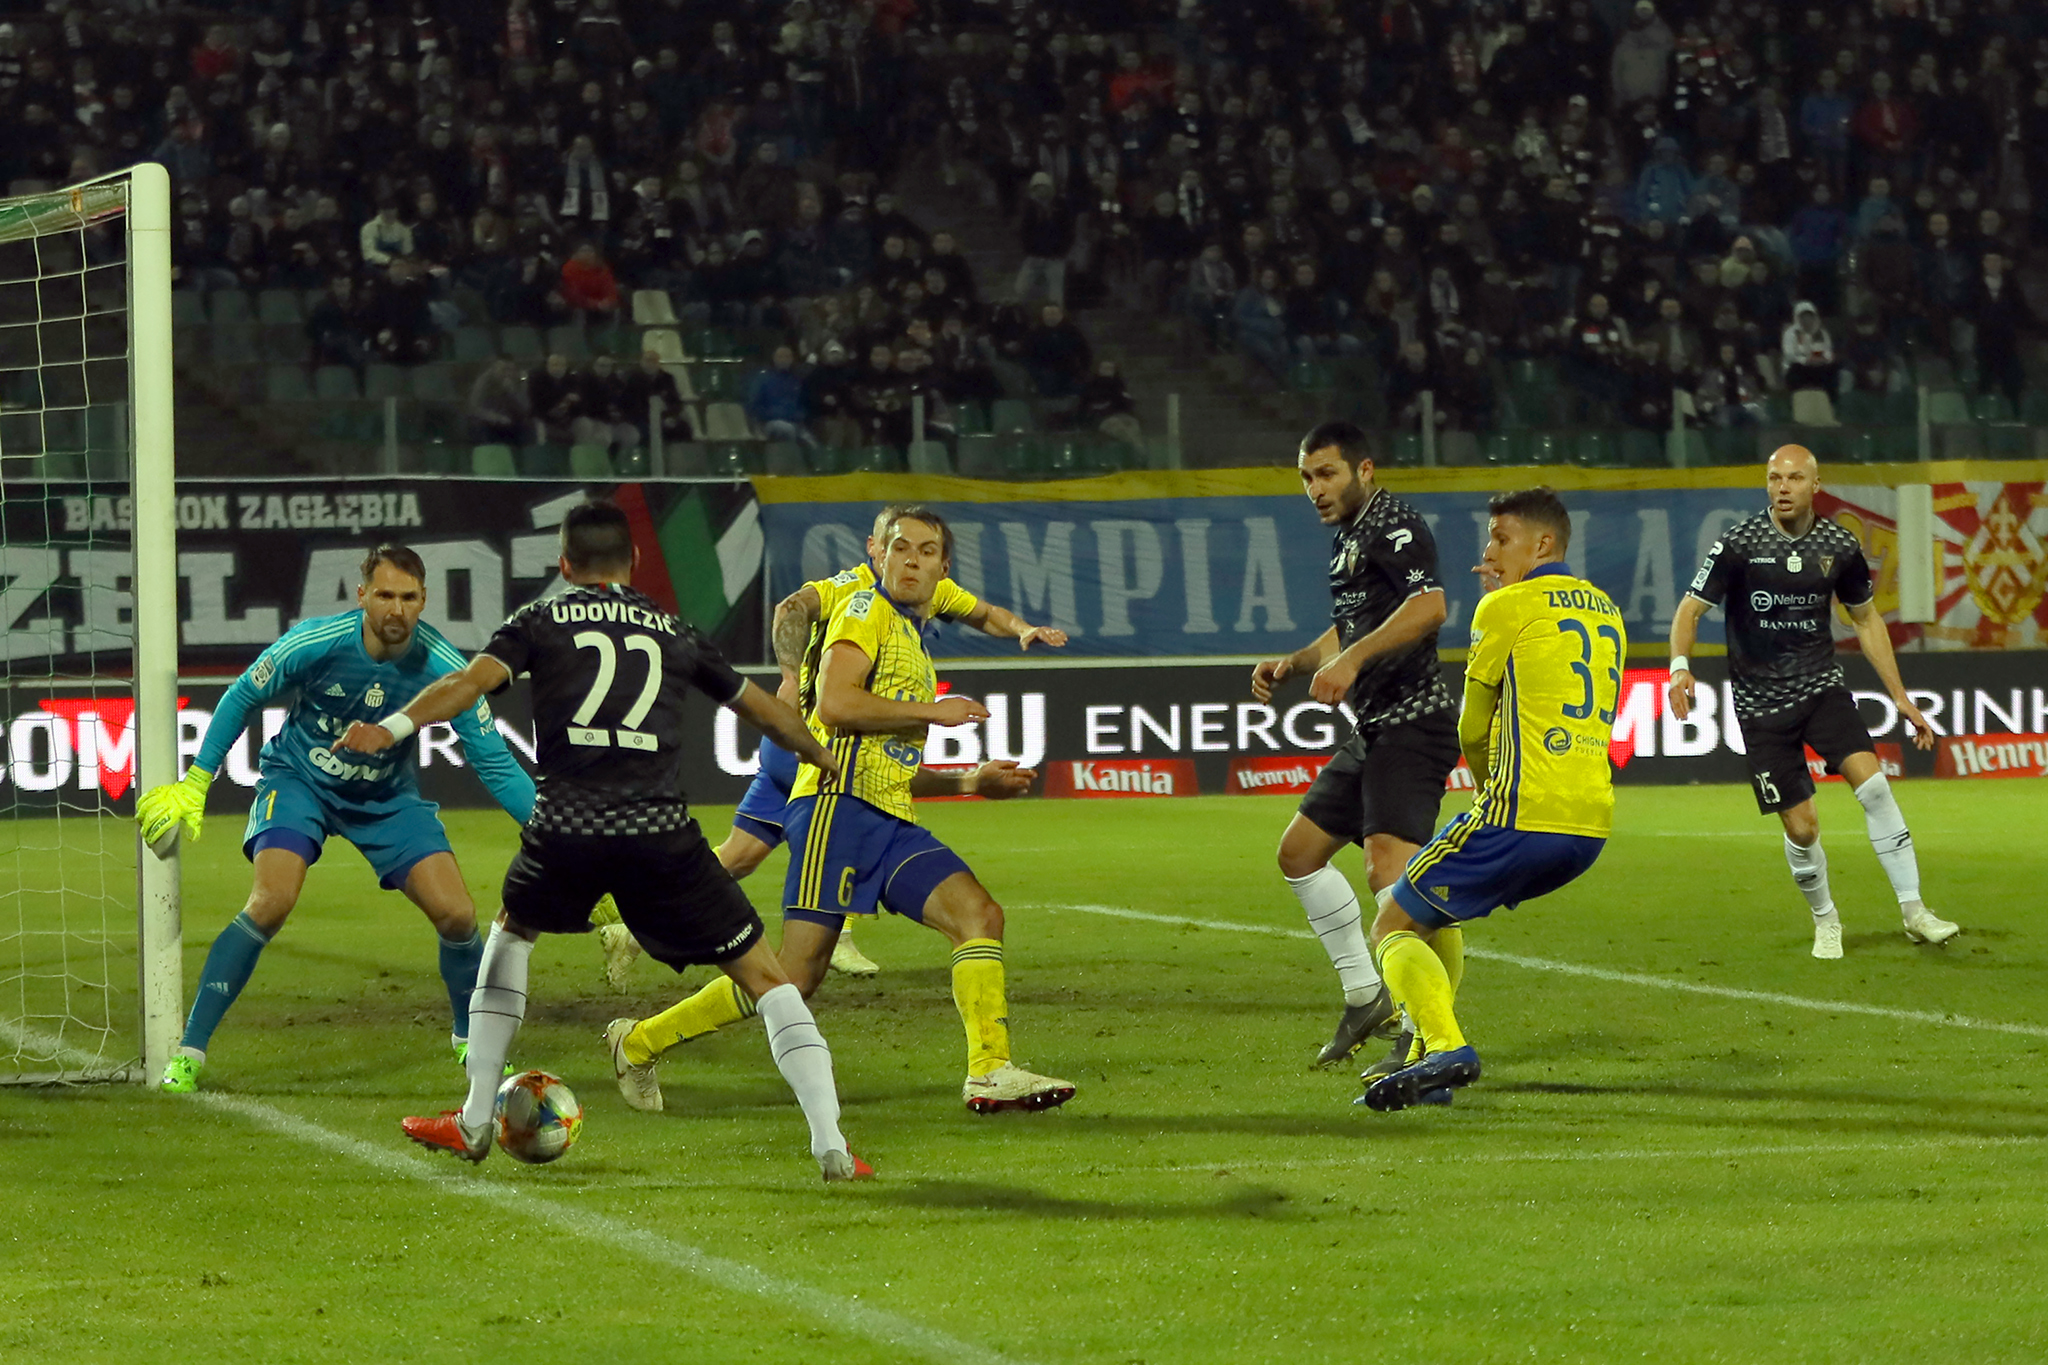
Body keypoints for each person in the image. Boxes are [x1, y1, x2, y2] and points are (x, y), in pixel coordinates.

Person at [339, 502, 869, 1181]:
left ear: (564, 564)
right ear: (634, 561)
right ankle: (830, 1145)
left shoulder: (539, 620)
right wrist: (819, 756)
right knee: (768, 979)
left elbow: (467, 684)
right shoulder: (673, 629)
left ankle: (473, 1119)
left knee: (513, 931)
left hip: (567, 828)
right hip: (659, 832)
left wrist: (390, 728)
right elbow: (762, 709)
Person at [609, 507, 1075, 1115]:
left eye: (926, 551)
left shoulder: (912, 627)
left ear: (943, 568)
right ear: (879, 553)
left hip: (887, 816)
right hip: (836, 811)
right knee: (793, 978)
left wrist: (970, 781)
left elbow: (889, 761)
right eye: (900, 548)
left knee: (979, 916)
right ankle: (639, 1042)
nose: (911, 560)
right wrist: (933, 712)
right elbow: (833, 704)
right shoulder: (863, 610)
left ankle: (989, 1070)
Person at [135, 546, 536, 1093]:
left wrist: (553, 834)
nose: (396, 609)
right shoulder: (317, 641)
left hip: (386, 798)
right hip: (300, 783)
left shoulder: (446, 670)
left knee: (458, 915)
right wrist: (198, 780)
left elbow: (497, 765)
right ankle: (189, 1052)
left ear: (424, 600)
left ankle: (470, 1043)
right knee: (272, 901)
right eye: (385, 595)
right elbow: (243, 693)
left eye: (409, 597)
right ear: (362, 595)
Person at [1358, 488, 1623, 1112]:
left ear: (1543, 543)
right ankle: (1428, 1063)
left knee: (1392, 923)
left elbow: (1472, 727)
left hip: (1522, 812)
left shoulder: (1504, 606)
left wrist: (1486, 792)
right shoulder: (1606, 609)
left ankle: (1445, 1048)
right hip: (1590, 825)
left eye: (1502, 538)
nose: (1488, 551)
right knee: (1433, 912)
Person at [1669, 446, 1954, 959]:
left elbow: (1866, 620)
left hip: (1821, 689)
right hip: (1760, 705)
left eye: (1794, 478)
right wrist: (1679, 668)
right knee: (1803, 829)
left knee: (1875, 788)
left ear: (1815, 485)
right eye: (1774, 478)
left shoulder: (1839, 546)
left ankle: (1915, 911)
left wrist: (1901, 698)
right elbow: (1689, 610)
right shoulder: (1739, 544)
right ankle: (1826, 920)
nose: (1783, 487)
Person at [1250, 421, 1459, 1070]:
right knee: (1299, 854)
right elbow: (1352, 625)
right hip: (1374, 728)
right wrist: (1297, 661)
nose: (1315, 488)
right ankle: (1367, 996)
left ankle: (1425, 1033)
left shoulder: (1396, 525)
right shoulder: (1350, 535)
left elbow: (1429, 607)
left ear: (1364, 469)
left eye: (1327, 473)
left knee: (1389, 872)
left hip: (1415, 723)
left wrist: (1351, 662)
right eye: (1306, 477)